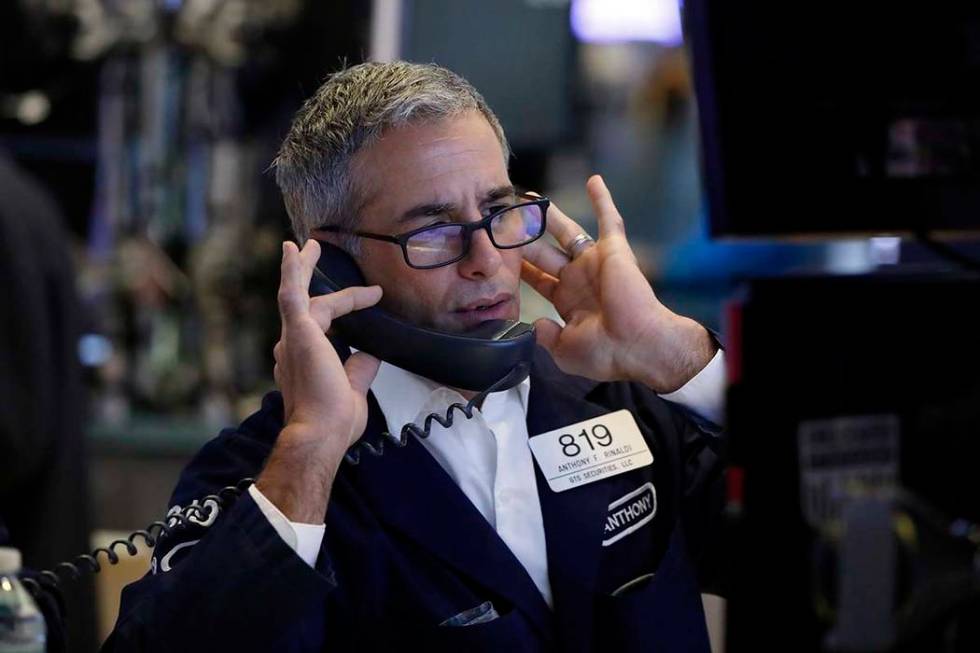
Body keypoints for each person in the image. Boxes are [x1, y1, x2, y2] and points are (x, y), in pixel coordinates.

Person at [104, 61, 728, 652]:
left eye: (498, 212)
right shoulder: (273, 468)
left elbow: (812, 559)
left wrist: (677, 355)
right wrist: (312, 454)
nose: (485, 259)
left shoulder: (622, 394)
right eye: (431, 231)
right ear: (333, 267)